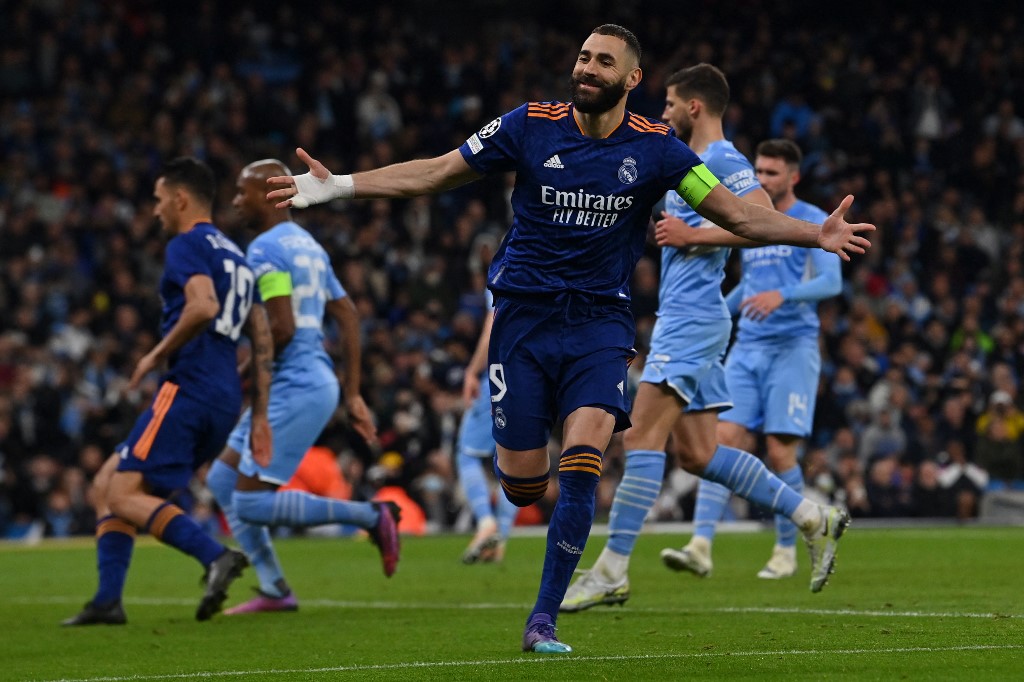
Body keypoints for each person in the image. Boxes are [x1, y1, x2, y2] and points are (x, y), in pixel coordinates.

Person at [266, 25, 873, 654]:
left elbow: (737, 213)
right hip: (523, 321)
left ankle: (542, 621)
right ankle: (550, 510)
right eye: (583, 56)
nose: (586, 67)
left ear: (631, 80)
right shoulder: (529, 123)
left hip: (598, 324)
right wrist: (340, 185)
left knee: (585, 457)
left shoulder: (659, 148)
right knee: (525, 484)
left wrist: (814, 236)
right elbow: (439, 171)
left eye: (603, 61)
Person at [561, 66, 848, 614]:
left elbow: (758, 215)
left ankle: (612, 570)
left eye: (670, 103)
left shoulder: (722, 160)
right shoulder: (691, 160)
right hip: (695, 313)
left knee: (639, 437)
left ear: (695, 106)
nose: (663, 111)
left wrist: (696, 233)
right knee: (697, 454)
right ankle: (814, 516)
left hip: (691, 318)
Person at [63, 157, 274, 625]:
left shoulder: (187, 244)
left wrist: (155, 354)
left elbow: (202, 306)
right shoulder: (237, 256)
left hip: (188, 387)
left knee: (120, 494)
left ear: (180, 199)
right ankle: (107, 601)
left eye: (159, 200)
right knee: (107, 484)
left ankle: (214, 556)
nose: (156, 210)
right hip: (224, 397)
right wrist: (259, 414)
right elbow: (262, 340)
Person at [203, 159, 399, 616]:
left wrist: (245, 374)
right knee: (222, 479)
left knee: (248, 503)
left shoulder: (264, 250)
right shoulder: (308, 245)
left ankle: (372, 516)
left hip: (294, 385)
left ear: (270, 193)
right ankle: (274, 588)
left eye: (240, 192)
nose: (234, 201)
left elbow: (282, 329)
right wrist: (351, 392)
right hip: (315, 382)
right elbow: (348, 314)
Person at [655, 138, 844, 581]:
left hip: (793, 347)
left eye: (772, 173)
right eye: (758, 171)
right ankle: (701, 543)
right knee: (722, 438)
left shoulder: (813, 220)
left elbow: (831, 284)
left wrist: (786, 294)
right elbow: (750, 289)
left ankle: (785, 551)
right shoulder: (752, 224)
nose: (761, 179)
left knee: (780, 450)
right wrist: (720, 308)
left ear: (793, 177)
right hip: (748, 348)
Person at [457, 298, 519, 564]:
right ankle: (501, 538)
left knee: (467, 454)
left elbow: (493, 324)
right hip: (538, 375)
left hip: (501, 374)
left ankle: (486, 523)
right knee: (517, 459)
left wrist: (472, 370)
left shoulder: (508, 265)